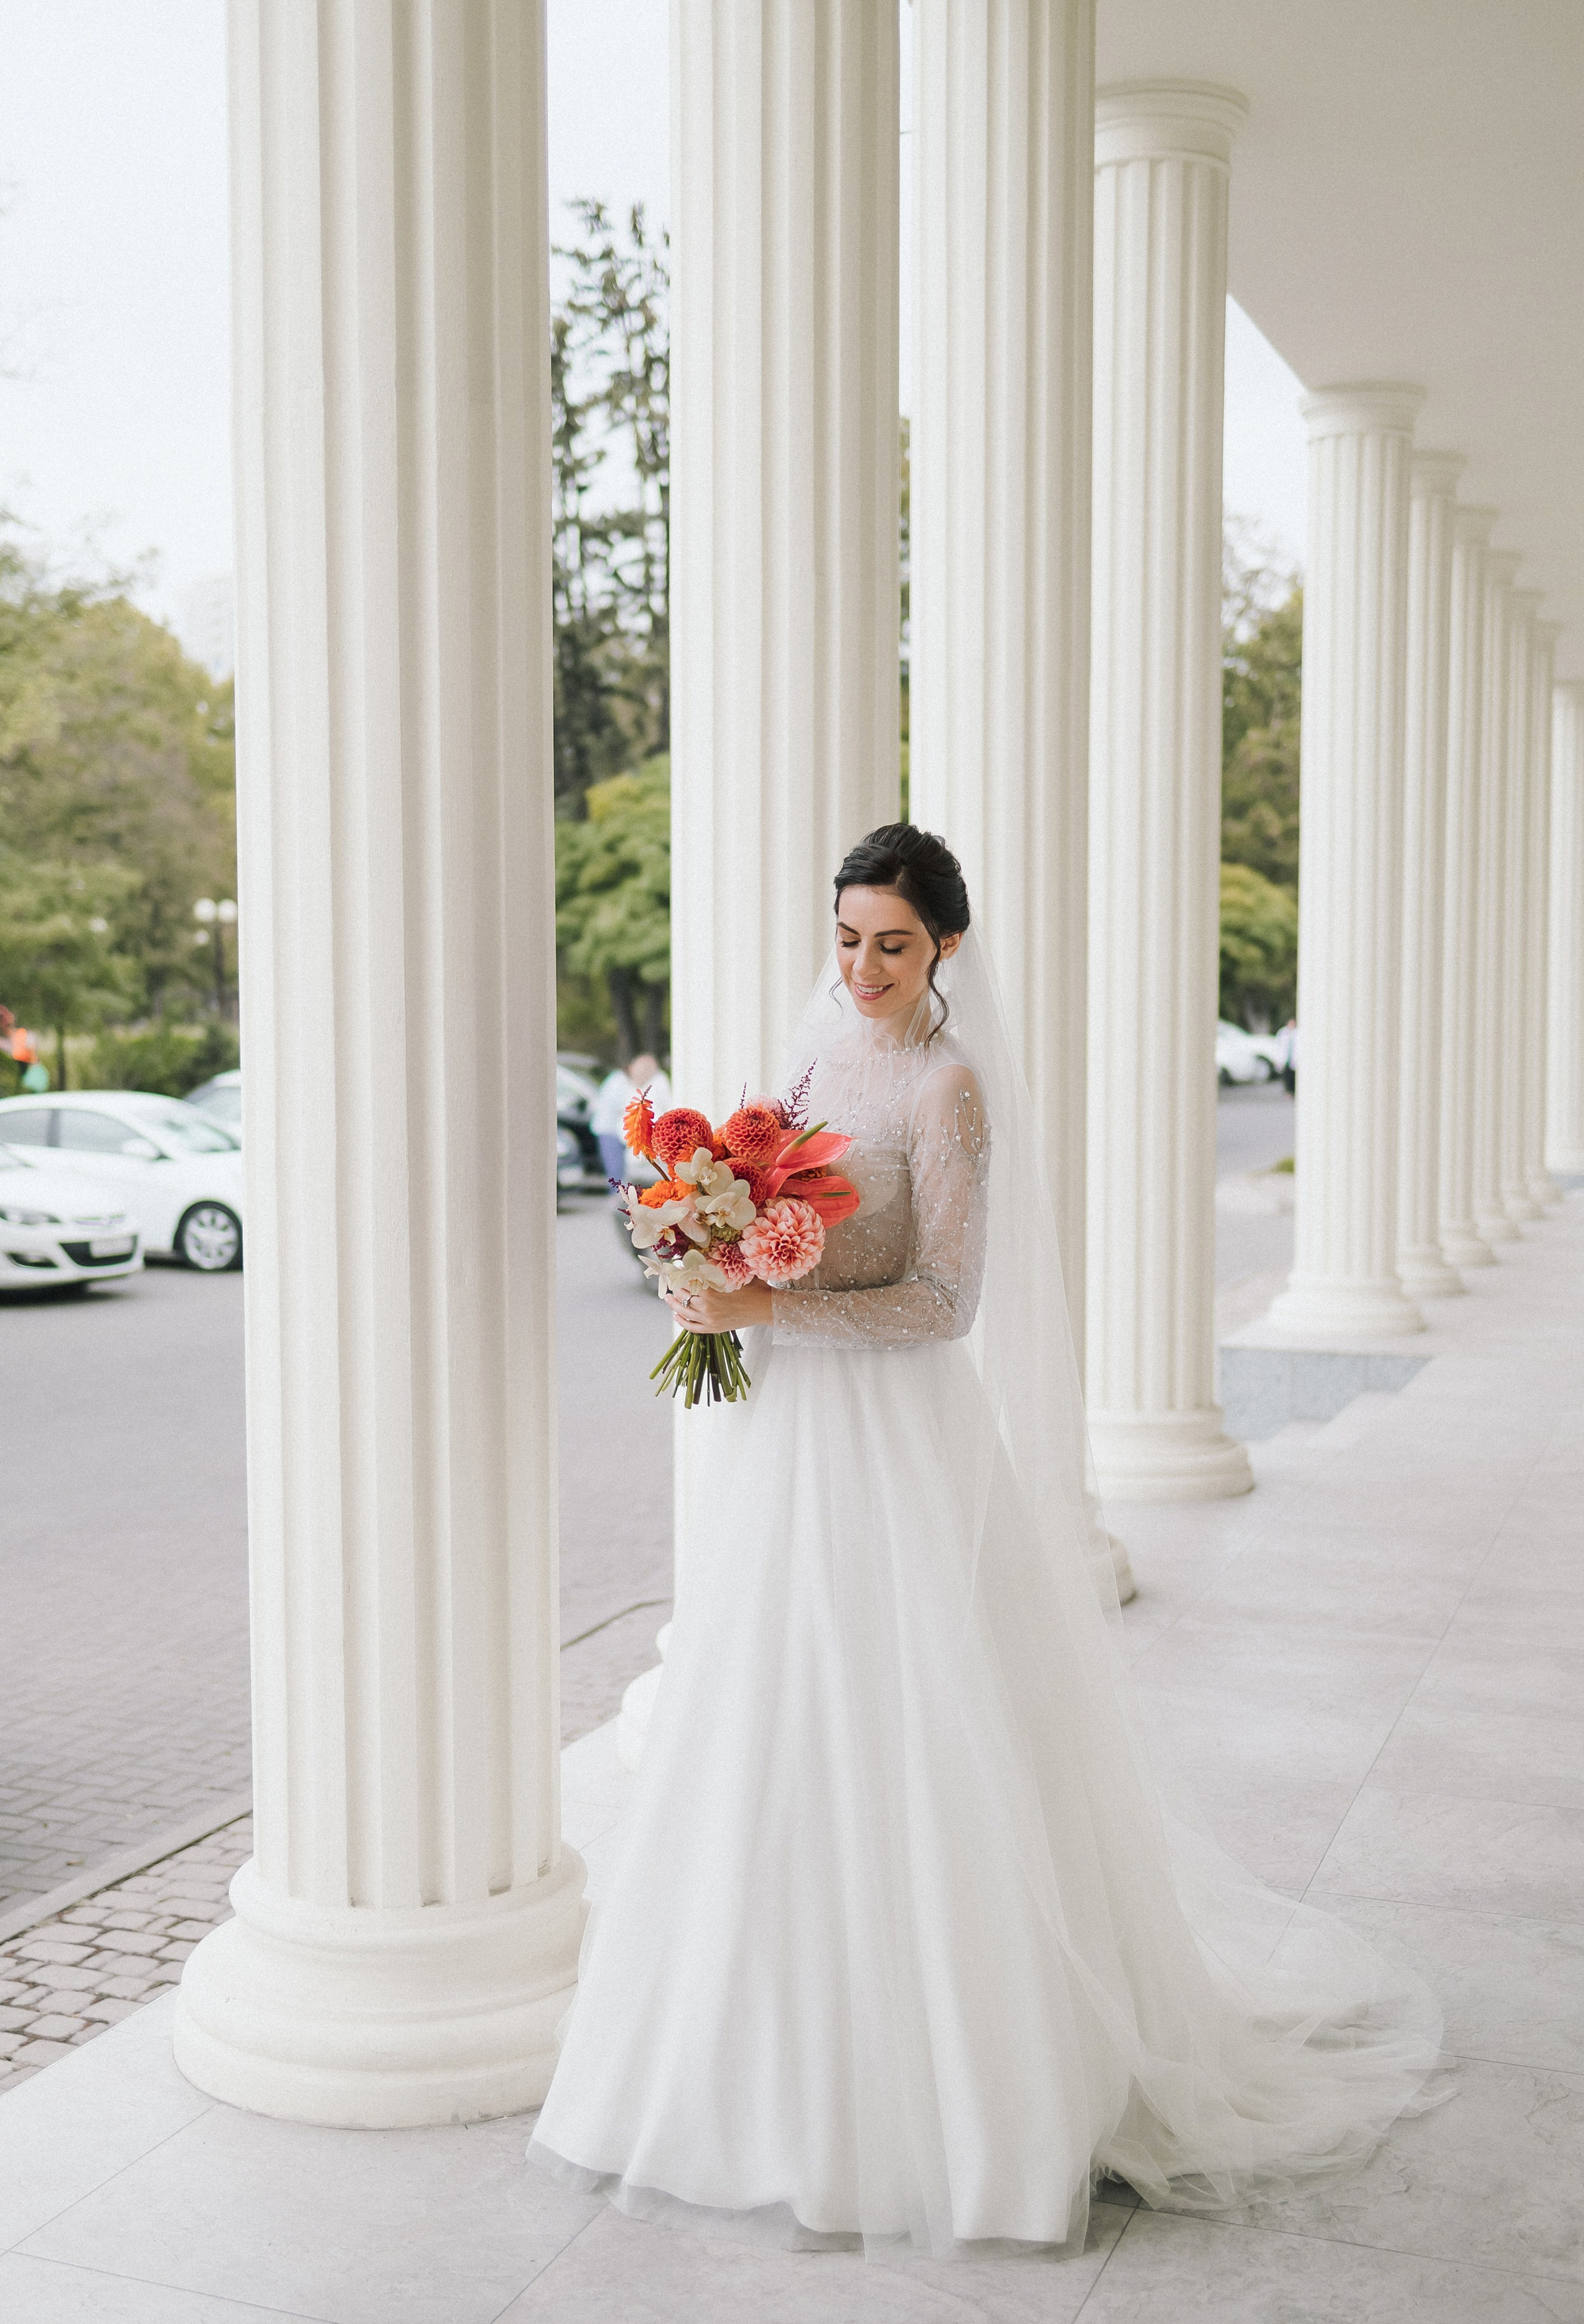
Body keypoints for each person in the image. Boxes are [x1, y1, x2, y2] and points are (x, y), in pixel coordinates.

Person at [530, 823, 1445, 2256]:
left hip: (895, 1437)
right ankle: (742, 2073)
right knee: (768, 1710)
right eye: (844, 937)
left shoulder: (948, 1087)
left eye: (890, 941)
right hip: (792, 1440)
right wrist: (698, 1243)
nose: (861, 965)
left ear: (943, 944)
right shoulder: (818, 1048)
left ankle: (961, 2105)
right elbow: (764, 1189)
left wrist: (763, 1306)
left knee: (919, 1720)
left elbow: (945, 1300)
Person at [590, 1052, 672, 1184]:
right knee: (615, 1169)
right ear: (632, 1068)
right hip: (608, 1130)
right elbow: (620, 1109)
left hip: (620, 1131)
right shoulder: (618, 1082)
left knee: (624, 1169)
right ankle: (617, 1196)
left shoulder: (639, 1082)